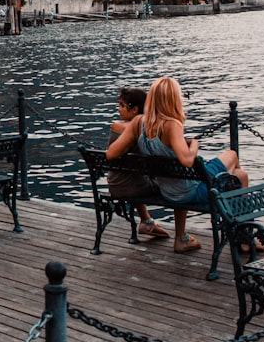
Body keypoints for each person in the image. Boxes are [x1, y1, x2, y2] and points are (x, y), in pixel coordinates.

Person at [107, 75, 251, 254]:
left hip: (167, 190)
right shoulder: (172, 125)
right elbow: (188, 161)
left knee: (241, 176)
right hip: (190, 192)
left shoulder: (138, 123)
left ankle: (183, 238)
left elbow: (110, 153)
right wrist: (194, 144)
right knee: (232, 155)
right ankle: (241, 237)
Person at [107, 87, 169, 238]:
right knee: (171, 181)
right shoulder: (146, 129)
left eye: (122, 105)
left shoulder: (117, 126)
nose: (119, 109)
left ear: (134, 109)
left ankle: (146, 221)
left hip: (115, 185)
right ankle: (182, 235)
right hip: (133, 187)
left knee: (135, 174)